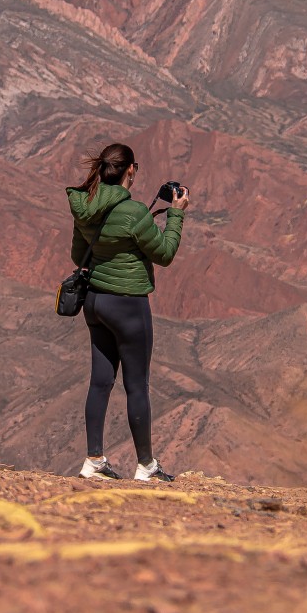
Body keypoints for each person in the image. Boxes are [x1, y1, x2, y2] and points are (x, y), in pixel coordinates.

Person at [66, 143, 189, 482]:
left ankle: (93, 460)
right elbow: (163, 254)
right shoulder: (133, 212)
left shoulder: (85, 205)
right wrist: (176, 214)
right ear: (130, 170)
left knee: (100, 382)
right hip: (128, 305)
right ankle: (146, 466)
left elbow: (80, 254)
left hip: (94, 302)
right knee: (137, 386)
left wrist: (119, 239)